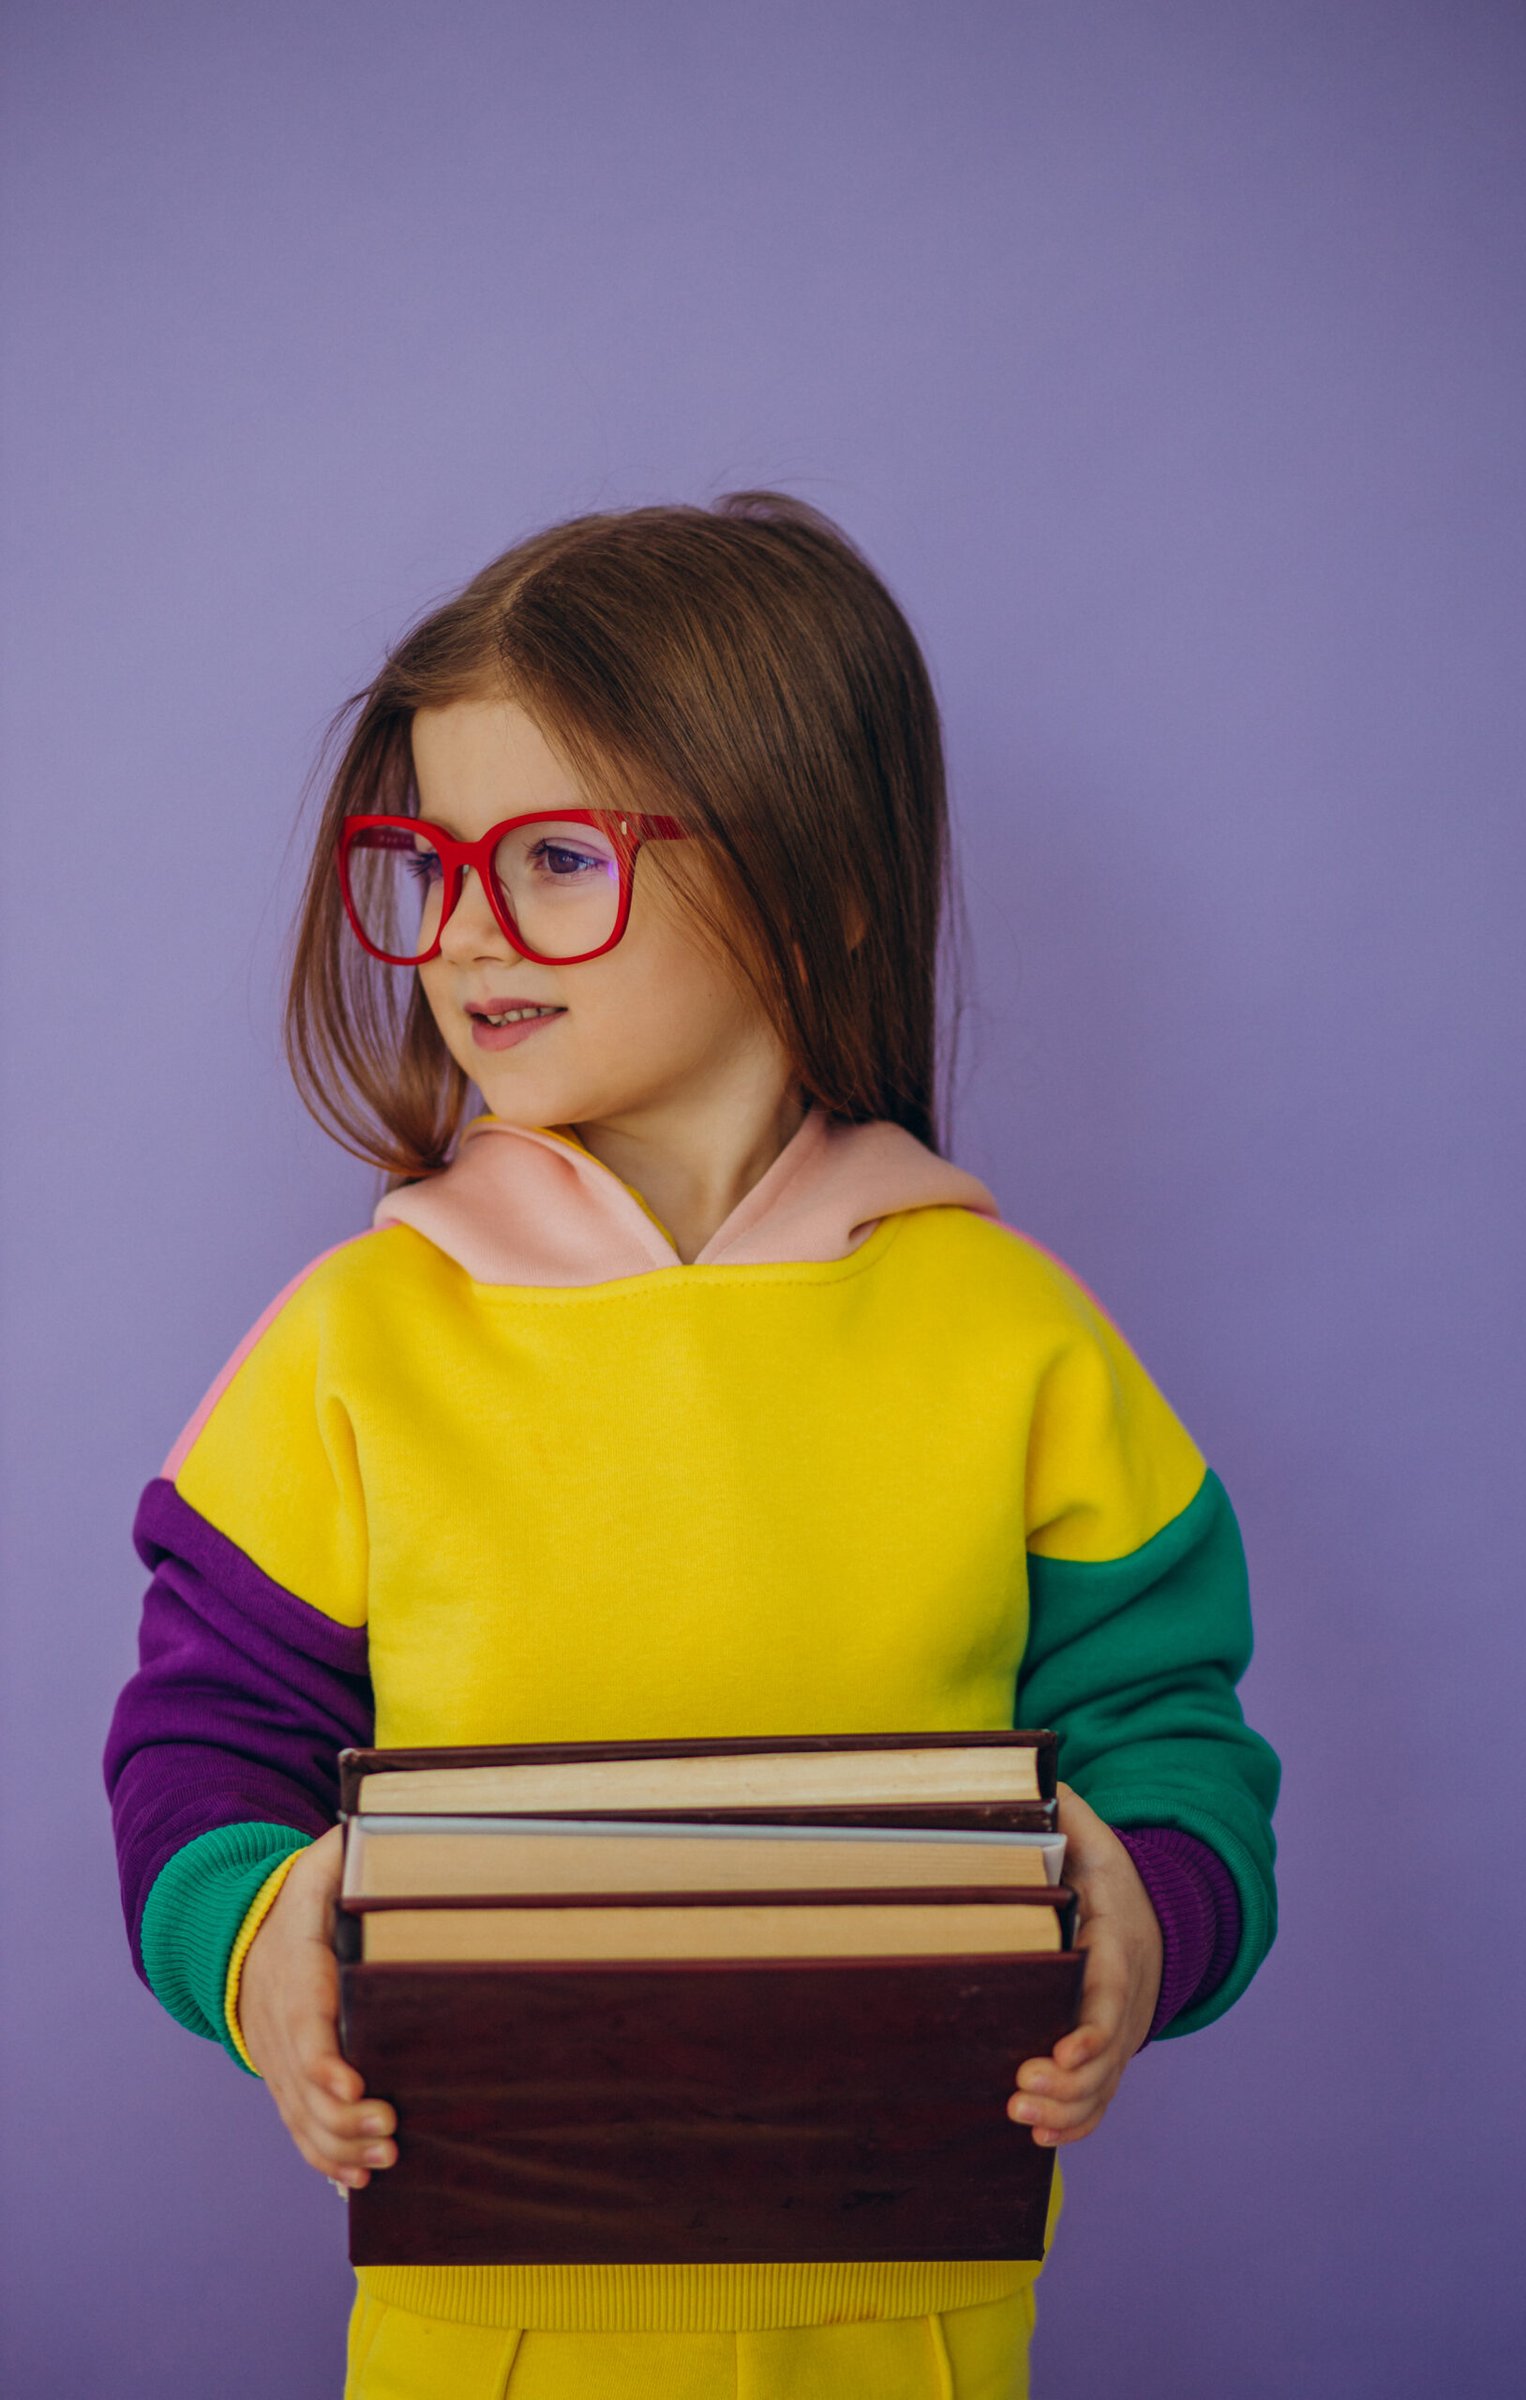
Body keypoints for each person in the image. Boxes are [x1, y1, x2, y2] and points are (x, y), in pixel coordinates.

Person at [103, 490, 1281, 2400]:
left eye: (557, 856)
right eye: (427, 860)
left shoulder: (1019, 1341)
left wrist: (1150, 1911)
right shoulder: (352, 1348)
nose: (465, 930)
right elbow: (199, 1751)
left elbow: (1175, 1738)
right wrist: (257, 1945)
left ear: (815, 891)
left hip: (914, 2323)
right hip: (481, 2330)